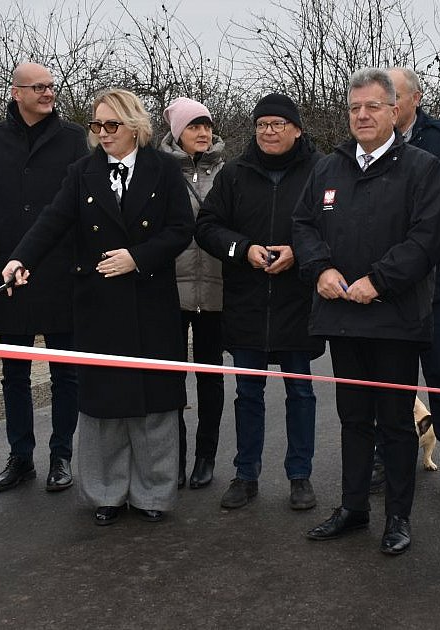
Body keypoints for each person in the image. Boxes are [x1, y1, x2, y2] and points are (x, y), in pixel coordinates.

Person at [2, 88, 194, 526]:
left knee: (154, 405)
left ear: (135, 127)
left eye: (112, 126)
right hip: (98, 306)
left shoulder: (164, 169)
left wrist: (138, 256)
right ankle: (106, 493)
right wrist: (20, 258)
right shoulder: (82, 172)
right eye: (96, 126)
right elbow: (52, 219)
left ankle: (152, 495)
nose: (102, 134)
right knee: (103, 404)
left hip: (151, 305)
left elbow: (182, 229)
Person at [293, 69, 440, 555]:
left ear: (395, 110)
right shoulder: (329, 167)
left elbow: (427, 239)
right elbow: (302, 224)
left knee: (396, 421)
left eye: (373, 107)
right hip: (342, 317)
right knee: (353, 417)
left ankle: (397, 517)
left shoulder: (421, 168)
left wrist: (378, 280)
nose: (363, 115)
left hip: (395, 320)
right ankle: (353, 508)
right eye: (355, 108)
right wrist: (318, 269)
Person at [196, 93, 324, 511]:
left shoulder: (320, 171)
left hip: (297, 303)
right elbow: (208, 226)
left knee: (300, 394)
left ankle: (299, 475)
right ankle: (245, 473)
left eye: (278, 124)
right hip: (247, 302)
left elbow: (335, 228)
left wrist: (298, 253)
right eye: (262, 124)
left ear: (297, 129)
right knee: (247, 393)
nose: (269, 131)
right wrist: (243, 249)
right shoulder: (234, 174)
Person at [0, 62, 88, 494]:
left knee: (65, 372)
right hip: (6, 271)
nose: (47, 93)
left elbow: (84, 205)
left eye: (52, 86)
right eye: (38, 87)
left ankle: (61, 456)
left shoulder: (75, 138)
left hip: (60, 269)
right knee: (14, 372)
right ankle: (20, 456)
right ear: (16, 92)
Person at [379, 66, 440, 503]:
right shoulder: (370, 143)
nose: (389, 105)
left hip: (431, 278)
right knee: (390, 377)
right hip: (382, 281)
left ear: (415, 99)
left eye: (395, 97)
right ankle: (387, 456)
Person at [159, 96, 226, 490]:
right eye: (193, 126)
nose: (202, 133)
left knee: (211, 376)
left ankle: (206, 456)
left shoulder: (228, 172)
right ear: (176, 131)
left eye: (206, 125)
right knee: (171, 379)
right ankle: (177, 455)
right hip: (170, 290)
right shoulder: (159, 172)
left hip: (217, 289)